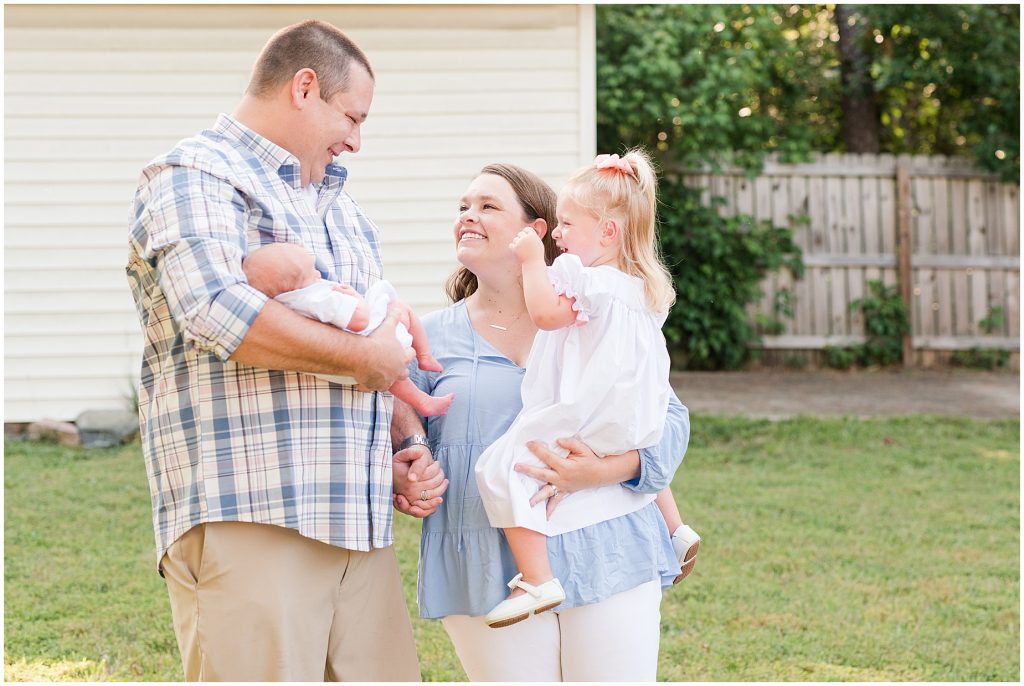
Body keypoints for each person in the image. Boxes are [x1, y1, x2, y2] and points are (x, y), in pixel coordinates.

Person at [127, 20, 424, 681]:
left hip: (358, 524)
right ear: (305, 87)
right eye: (351, 116)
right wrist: (365, 360)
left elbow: (369, 339)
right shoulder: (192, 174)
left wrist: (404, 440)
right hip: (256, 513)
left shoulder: (339, 207)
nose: (356, 138)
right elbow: (216, 312)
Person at [390, 162, 692, 681]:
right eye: (463, 206)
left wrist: (602, 470)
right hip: (484, 559)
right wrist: (407, 462)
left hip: (605, 544)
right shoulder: (429, 335)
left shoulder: (598, 312)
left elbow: (665, 418)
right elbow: (398, 420)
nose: (468, 216)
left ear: (537, 229)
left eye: (488, 206)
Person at [473, 149, 701, 627]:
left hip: (581, 410)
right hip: (628, 422)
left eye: (566, 224)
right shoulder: (644, 289)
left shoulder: (585, 279)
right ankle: (673, 528)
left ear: (607, 233)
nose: (556, 235)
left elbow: (546, 314)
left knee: (499, 468)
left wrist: (535, 262)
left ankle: (537, 579)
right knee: (626, 459)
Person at [243, 242, 454, 416]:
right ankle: (425, 356)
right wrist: (354, 297)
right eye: (311, 272)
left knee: (394, 379)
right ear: (297, 282)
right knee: (399, 306)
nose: (318, 274)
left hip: (342, 365)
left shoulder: (287, 304)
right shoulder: (316, 296)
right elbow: (359, 320)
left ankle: (423, 401)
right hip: (368, 342)